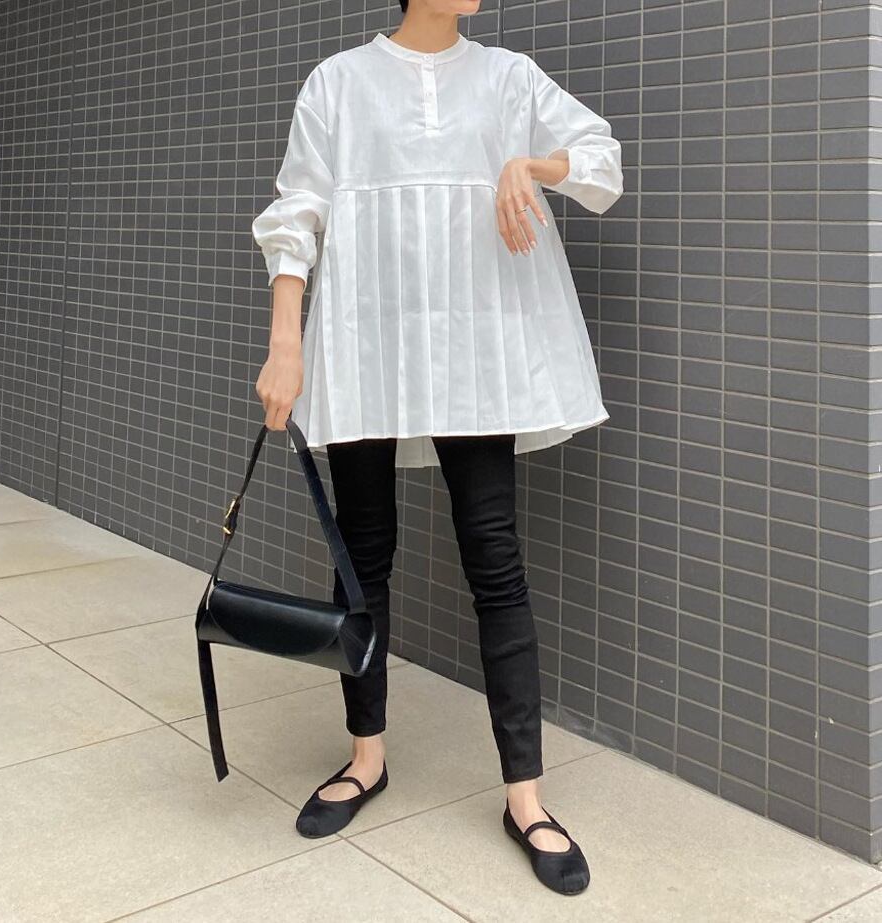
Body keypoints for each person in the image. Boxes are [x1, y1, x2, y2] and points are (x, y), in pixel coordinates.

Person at [251, 0, 623, 897]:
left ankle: (525, 797)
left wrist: (530, 164)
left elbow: (599, 156)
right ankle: (365, 756)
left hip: (472, 351)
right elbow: (297, 209)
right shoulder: (339, 82)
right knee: (361, 555)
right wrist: (285, 342)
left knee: (493, 554)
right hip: (367, 343)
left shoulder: (507, 78)